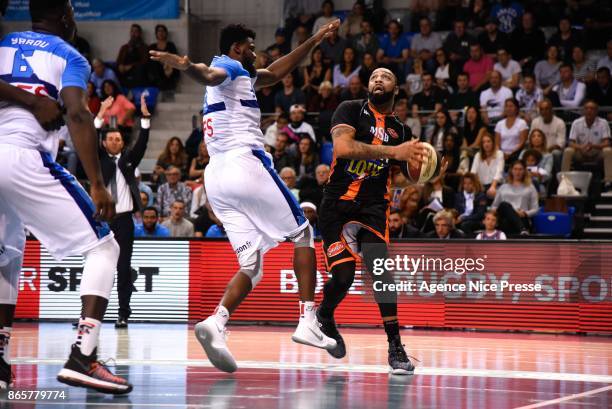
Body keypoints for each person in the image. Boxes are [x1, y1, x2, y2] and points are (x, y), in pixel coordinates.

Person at [150, 21, 341, 373]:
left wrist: (314, 39)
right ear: (239, 48)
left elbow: (278, 69)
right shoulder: (231, 65)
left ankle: (217, 322)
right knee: (303, 233)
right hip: (243, 163)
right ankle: (307, 320)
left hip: (216, 178)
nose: (257, 53)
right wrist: (188, 67)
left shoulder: (244, 78)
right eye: (252, 46)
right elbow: (209, 73)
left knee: (251, 265)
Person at [0, 0, 130, 393]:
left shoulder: (5, 42)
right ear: (64, 17)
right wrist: (96, 181)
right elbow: (76, 115)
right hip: (22, 157)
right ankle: (83, 356)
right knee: (104, 247)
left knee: (7, 254)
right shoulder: (68, 54)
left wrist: (25, 98)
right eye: (71, 9)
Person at [316, 67, 426, 374]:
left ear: (396, 90)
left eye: (386, 76)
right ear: (368, 86)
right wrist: (394, 151)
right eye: (374, 76)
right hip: (337, 206)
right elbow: (343, 148)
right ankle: (324, 315)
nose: (378, 79)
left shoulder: (401, 131)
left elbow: (403, 176)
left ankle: (395, 346)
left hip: (374, 207)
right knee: (344, 278)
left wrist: (423, 172)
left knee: (380, 270)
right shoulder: (350, 109)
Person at [96, 94, 151, 329]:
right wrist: (100, 114)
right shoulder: (99, 159)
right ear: (105, 142)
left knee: (123, 268)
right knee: (97, 267)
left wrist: (145, 119)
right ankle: (88, 313)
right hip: (102, 220)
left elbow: (142, 143)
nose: (115, 142)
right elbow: (88, 139)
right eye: (111, 139)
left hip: (124, 221)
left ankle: (123, 313)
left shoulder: (128, 159)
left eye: (118, 139)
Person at [561, 100, 612, 189]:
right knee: (568, 151)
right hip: (581, 152)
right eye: (587, 108)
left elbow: (607, 143)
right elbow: (571, 143)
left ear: (596, 111)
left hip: (597, 152)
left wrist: (593, 146)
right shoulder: (576, 123)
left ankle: (609, 181)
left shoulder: (603, 123)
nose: (589, 110)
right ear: (583, 111)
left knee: (608, 151)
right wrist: (581, 147)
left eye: (592, 109)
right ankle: (564, 181)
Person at [491, 160, 539, 235]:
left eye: (520, 169)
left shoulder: (530, 187)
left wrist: (525, 213)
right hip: (504, 219)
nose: (517, 172)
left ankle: (522, 229)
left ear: (524, 171)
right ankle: (522, 229)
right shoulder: (503, 187)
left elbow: (535, 209)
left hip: (521, 218)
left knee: (509, 216)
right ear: (511, 171)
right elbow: (494, 206)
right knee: (504, 205)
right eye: (515, 169)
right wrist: (510, 211)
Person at [530, 99, 567, 165]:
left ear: (551, 110)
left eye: (546, 109)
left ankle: (557, 174)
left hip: (552, 151)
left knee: (556, 153)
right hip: (538, 149)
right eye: (541, 109)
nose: (544, 111)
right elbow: (530, 139)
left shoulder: (560, 123)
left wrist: (546, 151)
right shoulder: (535, 122)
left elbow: (560, 144)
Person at [471, 133, 505, 199]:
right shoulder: (478, 155)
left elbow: (499, 172)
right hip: (481, 185)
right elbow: (473, 172)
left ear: (493, 143)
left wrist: (493, 186)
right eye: (484, 142)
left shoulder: (499, 154)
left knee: (494, 192)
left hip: (496, 184)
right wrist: (479, 186)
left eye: (488, 141)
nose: (486, 144)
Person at [148, 24, 180, 93]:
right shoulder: (152, 46)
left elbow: (175, 58)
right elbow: (149, 60)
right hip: (157, 70)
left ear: (166, 33)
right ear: (156, 33)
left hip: (169, 67)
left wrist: (166, 63)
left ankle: (169, 87)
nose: (161, 33)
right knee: (154, 64)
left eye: (163, 31)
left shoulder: (170, 45)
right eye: (159, 31)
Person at [116, 24, 149, 88]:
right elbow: (118, 60)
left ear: (139, 33)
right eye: (132, 31)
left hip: (137, 71)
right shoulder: (124, 47)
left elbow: (145, 61)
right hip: (124, 70)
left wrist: (131, 66)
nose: (133, 34)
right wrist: (120, 65)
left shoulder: (144, 47)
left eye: (136, 31)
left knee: (141, 68)